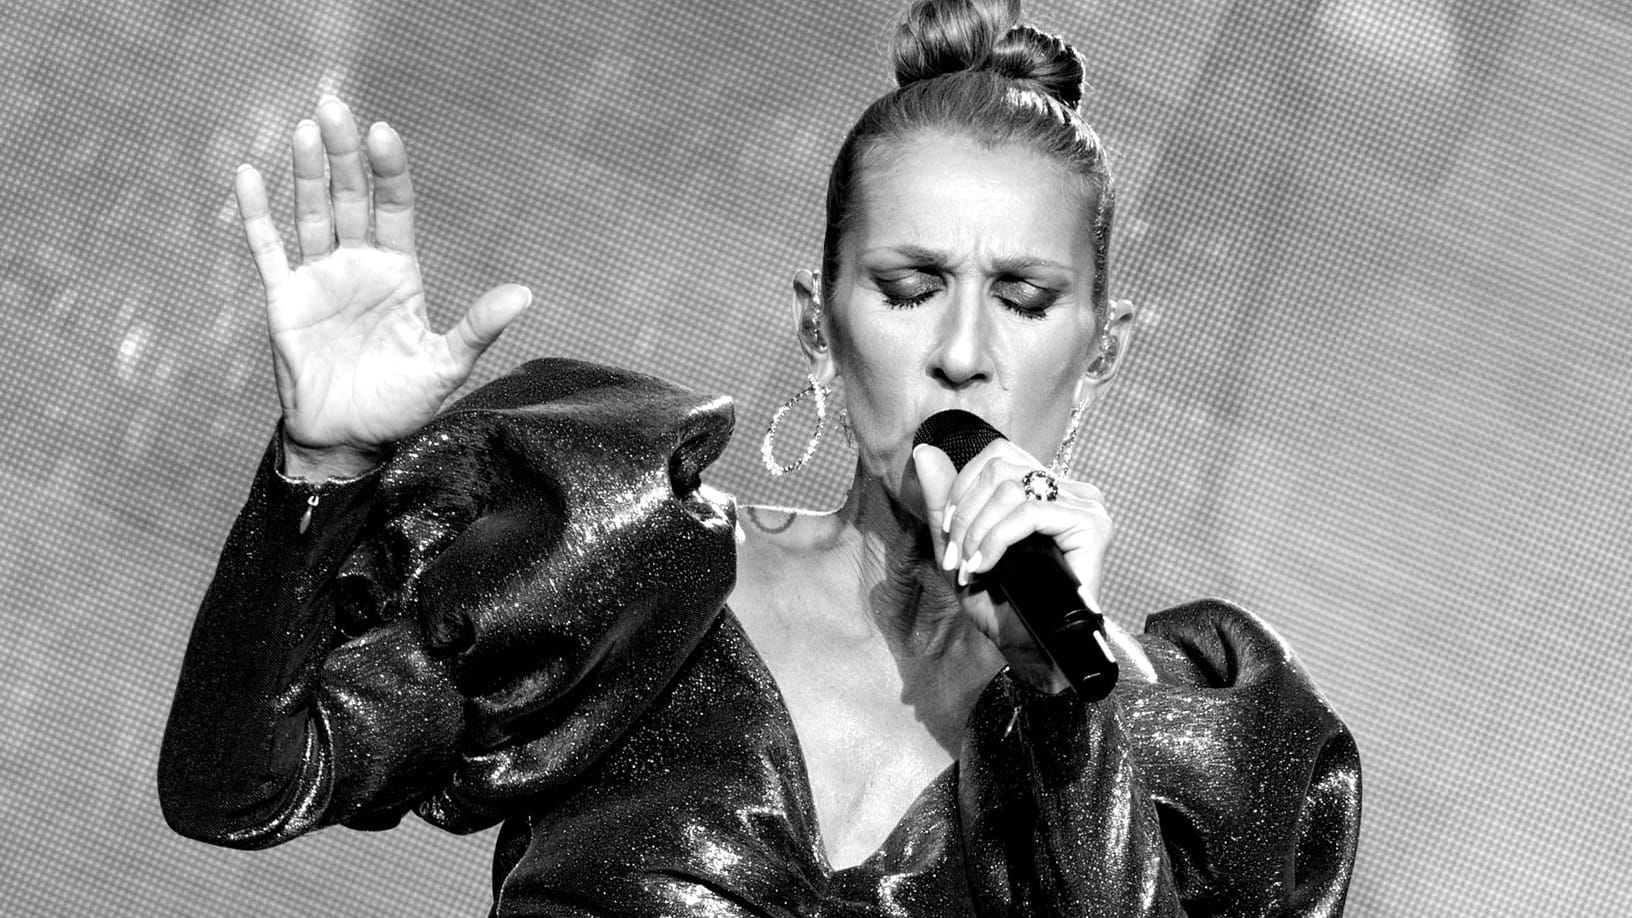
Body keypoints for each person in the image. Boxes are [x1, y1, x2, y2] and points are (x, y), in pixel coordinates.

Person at [159, 0, 1362, 914]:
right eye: (910, 288)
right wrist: (321, 464)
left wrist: (1064, 706)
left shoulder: (1180, 748)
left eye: (1024, 299)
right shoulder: (625, 562)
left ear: (1099, 357)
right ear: (820, 329)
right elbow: (239, 787)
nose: (962, 353)